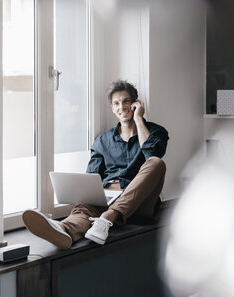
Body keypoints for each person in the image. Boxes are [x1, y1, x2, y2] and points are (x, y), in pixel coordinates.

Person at [23, 80, 169, 249]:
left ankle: (108, 217)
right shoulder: (102, 140)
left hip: (140, 202)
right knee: (86, 207)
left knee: (157, 163)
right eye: (116, 103)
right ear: (112, 108)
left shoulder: (156, 131)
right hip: (109, 195)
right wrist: (90, 196)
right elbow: (91, 176)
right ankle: (64, 229)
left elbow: (152, 155)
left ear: (136, 103)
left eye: (126, 101)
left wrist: (138, 119)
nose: (122, 106)